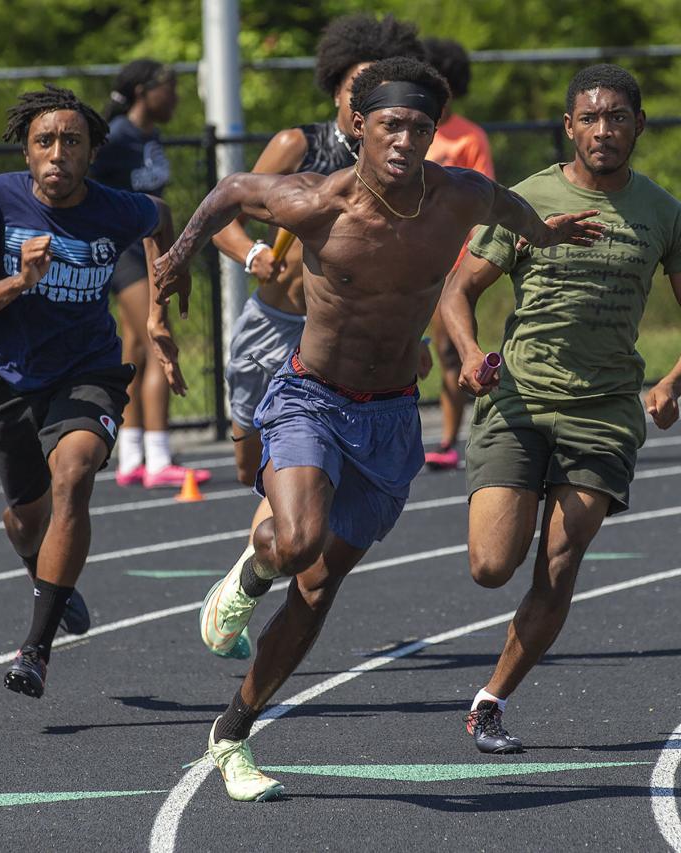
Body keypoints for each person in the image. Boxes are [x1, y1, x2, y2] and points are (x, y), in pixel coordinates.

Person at [152, 57, 603, 801]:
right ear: (359, 126)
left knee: (320, 589)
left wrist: (548, 237)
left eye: (421, 127)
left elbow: (511, 211)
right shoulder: (320, 202)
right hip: (311, 398)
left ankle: (232, 731)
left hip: (391, 414)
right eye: (392, 123)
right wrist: (176, 256)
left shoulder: (457, 196)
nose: (405, 139)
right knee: (295, 542)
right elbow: (232, 190)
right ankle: (253, 571)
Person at [440, 64, 681, 754]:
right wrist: (472, 353)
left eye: (618, 117)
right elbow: (455, 291)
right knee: (491, 564)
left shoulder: (664, 215)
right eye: (590, 118)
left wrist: (670, 385)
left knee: (560, 561)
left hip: (603, 414)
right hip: (519, 400)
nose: (604, 129)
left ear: (639, 125)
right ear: (570, 125)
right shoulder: (526, 198)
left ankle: (491, 699)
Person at [0, 84, 186, 700]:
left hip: (89, 370)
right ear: (27, 152)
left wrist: (167, 285)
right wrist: (19, 281)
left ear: (90, 151)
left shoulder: (114, 206)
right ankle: (45, 575)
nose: (58, 153)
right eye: (44, 142)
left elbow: (158, 217)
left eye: (71, 142)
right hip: (9, 376)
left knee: (74, 475)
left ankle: (36, 649)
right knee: (27, 522)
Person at [213, 13, 425, 498]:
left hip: (338, 339)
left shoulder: (397, 167)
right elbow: (226, 219)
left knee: (315, 468)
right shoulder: (296, 145)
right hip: (273, 322)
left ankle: (295, 538)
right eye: (356, 86)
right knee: (250, 468)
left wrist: (418, 335)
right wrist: (253, 256)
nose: (363, 98)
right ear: (335, 90)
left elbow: (406, 265)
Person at [92, 59, 209, 490]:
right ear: (143, 91)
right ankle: (158, 456)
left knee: (136, 350)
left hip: (153, 250)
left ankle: (132, 455)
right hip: (126, 252)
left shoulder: (150, 135)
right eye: (169, 88)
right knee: (157, 338)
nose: (176, 97)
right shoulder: (117, 137)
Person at [420, 36, 496, 471]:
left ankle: (450, 438)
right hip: (404, 259)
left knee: (448, 349)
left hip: (450, 263)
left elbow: (482, 201)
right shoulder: (409, 127)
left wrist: (467, 262)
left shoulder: (469, 137)